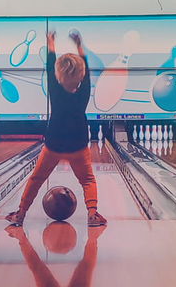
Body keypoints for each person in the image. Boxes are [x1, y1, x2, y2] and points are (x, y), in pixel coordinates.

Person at [6, 30, 106, 228]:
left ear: (57, 77)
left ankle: (21, 214)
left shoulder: (54, 89)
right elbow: (83, 67)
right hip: (78, 145)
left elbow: (50, 64)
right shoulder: (84, 90)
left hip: (53, 144)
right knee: (87, 181)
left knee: (36, 179)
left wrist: (50, 42)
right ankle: (92, 214)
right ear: (82, 75)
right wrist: (79, 44)